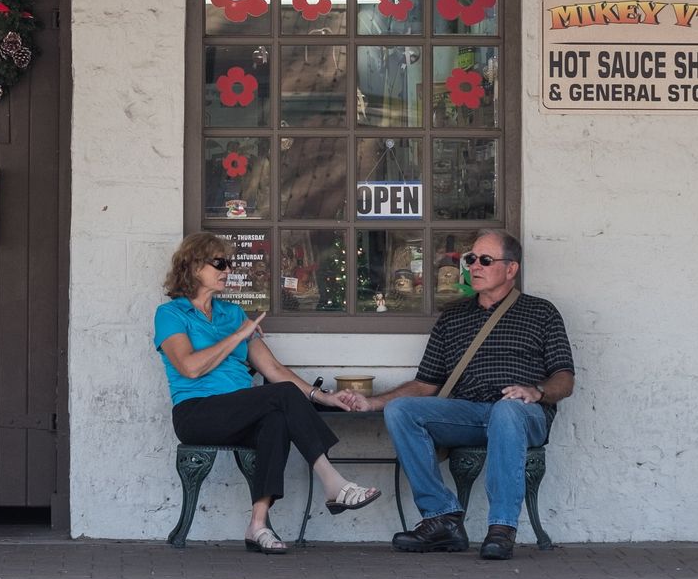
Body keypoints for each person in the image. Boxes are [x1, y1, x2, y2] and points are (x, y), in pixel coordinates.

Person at [335, 228, 574, 561]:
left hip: (523, 414)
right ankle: (442, 518)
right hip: (470, 413)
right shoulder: (453, 317)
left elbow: (565, 379)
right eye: (470, 259)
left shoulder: (541, 313)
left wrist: (536, 391)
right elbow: (426, 384)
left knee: (506, 410)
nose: (474, 266)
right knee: (402, 410)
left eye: (485, 260)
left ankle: (502, 528)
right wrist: (373, 402)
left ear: (511, 269)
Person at [154, 232, 382, 554]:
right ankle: (333, 483)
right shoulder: (171, 314)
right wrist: (238, 336)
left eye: (229, 263)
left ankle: (257, 525)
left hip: (239, 412)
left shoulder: (232, 314)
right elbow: (190, 368)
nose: (228, 270)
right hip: (197, 412)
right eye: (219, 263)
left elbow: (274, 370)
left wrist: (323, 397)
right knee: (280, 396)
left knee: (276, 418)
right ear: (193, 267)